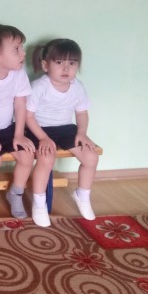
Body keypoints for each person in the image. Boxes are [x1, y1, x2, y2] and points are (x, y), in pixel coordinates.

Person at [0, 24, 51, 222]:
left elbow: (20, 105)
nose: (23, 53)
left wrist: (19, 134)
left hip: (8, 128)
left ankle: (16, 193)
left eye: (22, 47)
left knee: (27, 156)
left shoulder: (19, 74)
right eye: (16, 49)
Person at [26, 38, 98, 226]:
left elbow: (81, 113)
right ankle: (39, 203)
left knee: (91, 157)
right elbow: (28, 116)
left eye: (72, 63)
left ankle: (82, 195)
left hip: (65, 128)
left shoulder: (77, 87)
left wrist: (82, 133)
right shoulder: (39, 86)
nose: (66, 68)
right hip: (38, 129)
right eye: (59, 62)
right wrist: (43, 138)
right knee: (47, 158)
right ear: (45, 65)